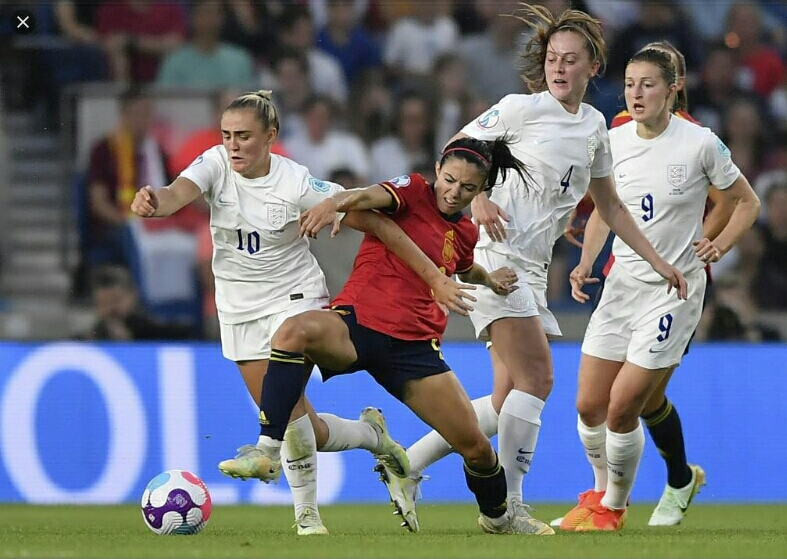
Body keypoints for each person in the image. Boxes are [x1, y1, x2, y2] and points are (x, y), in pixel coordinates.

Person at [375, 4, 688, 533]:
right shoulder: (520, 110)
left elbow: (608, 206)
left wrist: (658, 260)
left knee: (505, 401)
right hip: (494, 260)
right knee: (539, 378)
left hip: (532, 269)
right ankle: (508, 508)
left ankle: (406, 465)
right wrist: (475, 200)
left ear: (593, 66)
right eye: (552, 59)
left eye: (571, 60)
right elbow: (459, 148)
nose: (559, 68)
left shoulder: (593, 126)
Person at [130, 90, 475, 536]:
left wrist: (433, 275)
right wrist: (154, 202)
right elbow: (176, 194)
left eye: (245, 137)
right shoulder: (214, 163)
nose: (234, 145)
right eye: (227, 135)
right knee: (303, 424)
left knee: (284, 422)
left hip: (294, 297)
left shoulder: (296, 182)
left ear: (270, 137)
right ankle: (373, 436)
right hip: (238, 309)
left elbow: (375, 222)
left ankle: (306, 516)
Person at [219, 135, 557, 535]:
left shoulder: (465, 231)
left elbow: (463, 268)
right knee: (294, 331)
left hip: (415, 350)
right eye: (449, 180)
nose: (453, 192)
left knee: (478, 449)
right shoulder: (413, 190)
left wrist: (490, 279)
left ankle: (499, 519)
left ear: (480, 190)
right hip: (358, 325)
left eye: (467, 188)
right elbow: (367, 195)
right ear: (437, 171)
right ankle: (267, 450)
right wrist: (334, 202)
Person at [557, 48, 760, 532]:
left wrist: (718, 244)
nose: (636, 93)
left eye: (648, 84)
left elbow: (745, 202)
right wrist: (586, 261)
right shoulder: (613, 140)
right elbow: (608, 208)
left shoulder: (700, 142)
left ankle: (613, 509)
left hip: (675, 290)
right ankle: (601, 492)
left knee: (625, 404)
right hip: (622, 284)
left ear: (673, 88)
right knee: (588, 404)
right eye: (630, 83)